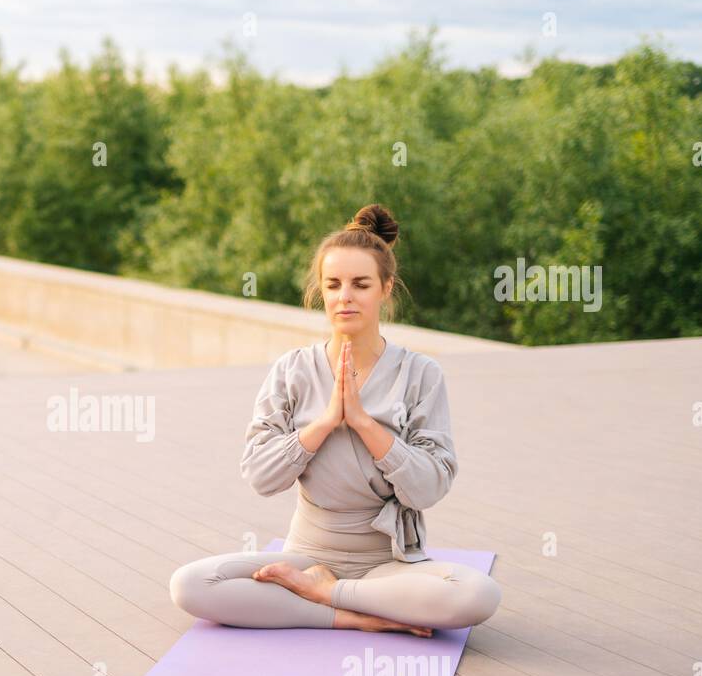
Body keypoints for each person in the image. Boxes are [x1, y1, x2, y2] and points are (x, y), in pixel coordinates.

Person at [169, 204, 502, 637]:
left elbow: (430, 487)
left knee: (478, 595)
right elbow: (260, 476)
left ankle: (328, 595)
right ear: (321, 293)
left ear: (385, 289)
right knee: (191, 585)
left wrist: (363, 421)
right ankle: (351, 614)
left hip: (388, 565)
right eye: (334, 284)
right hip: (306, 556)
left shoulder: (421, 373)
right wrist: (325, 421)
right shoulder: (292, 370)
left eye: (360, 284)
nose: (345, 296)